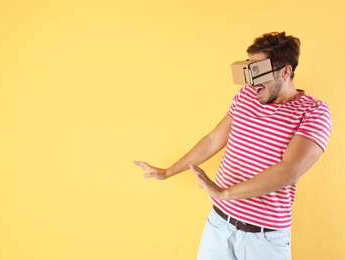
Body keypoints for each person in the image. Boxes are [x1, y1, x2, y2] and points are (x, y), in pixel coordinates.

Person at [134, 32, 332, 260]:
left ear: (285, 71)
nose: (251, 80)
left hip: (265, 239)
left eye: (258, 71)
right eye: (249, 70)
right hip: (219, 225)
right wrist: (168, 171)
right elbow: (213, 140)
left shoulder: (314, 112)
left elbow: (290, 171)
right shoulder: (246, 96)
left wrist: (224, 193)